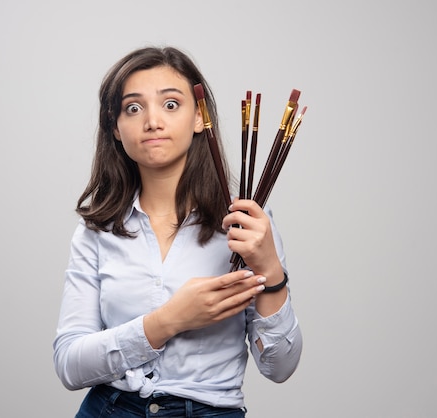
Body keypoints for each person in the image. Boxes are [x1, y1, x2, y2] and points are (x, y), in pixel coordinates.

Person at [53, 45, 302, 417]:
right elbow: (70, 365)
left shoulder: (247, 220)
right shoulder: (97, 230)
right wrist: (168, 320)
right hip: (111, 409)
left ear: (200, 118)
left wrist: (270, 268)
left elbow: (280, 367)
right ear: (116, 129)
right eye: (133, 108)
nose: (152, 121)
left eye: (171, 104)